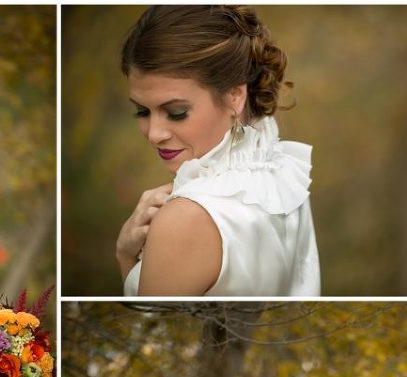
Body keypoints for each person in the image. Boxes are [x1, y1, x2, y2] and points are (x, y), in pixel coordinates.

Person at [116, 5, 320, 297]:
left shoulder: (184, 219)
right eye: (141, 110)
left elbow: (148, 324)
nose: (154, 134)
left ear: (235, 95)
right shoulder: (282, 173)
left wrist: (125, 257)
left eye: (175, 112)